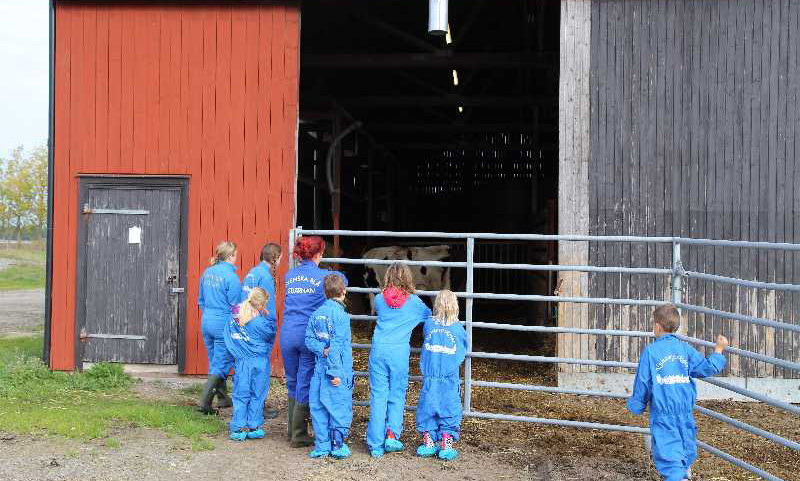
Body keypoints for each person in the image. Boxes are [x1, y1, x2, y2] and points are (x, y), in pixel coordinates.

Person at [627, 305, 728, 481]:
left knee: (668, 453)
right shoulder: (685, 350)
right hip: (685, 412)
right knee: (685, 446)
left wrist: (637, 405)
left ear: (657, 326)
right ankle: (684, 472)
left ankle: (678, 476)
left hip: (663, 412)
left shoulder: (651, 352)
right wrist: (719, 350)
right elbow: (706, 367)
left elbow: (643, 381)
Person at [281, 236, 347, 447]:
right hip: (308, 336)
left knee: (292, 380)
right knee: (305, 381)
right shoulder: (325, 276)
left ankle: (292, 430)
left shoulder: (290, 275)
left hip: (288, 333)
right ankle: (299, 435)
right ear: (320, 253)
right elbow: (342, 280)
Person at [366, 263, 432, 458]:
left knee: (378, 396)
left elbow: (382, 308)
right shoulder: (415, 303)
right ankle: (392, 435)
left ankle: (375, 445)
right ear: (408, 278)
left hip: (378, 350)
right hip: (399, 353)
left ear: (387, 277)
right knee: (397, 393)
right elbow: (429, 317)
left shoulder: (379, 299)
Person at [304, 274, 353, 459]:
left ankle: (322, 445)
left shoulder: (316, 314)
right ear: (343, 292)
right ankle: (337, 444)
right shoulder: (342, 316)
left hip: (319, 369)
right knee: (338, 405)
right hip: (336, 368)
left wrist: (321, 350)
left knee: (318, 406)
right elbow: (337, 346)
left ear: (325, 293)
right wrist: (335, 372)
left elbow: (308, 339)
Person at [415, 290, 467, 461]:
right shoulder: (458, 328)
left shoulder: (429, 324)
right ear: (455, 306)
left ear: (436, 304)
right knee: (450, 407)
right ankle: (446, 442)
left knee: (427, 407)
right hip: (449, 377)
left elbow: (425, 338)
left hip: (430, 376)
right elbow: (463, 346)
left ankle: (428, 441)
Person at [224, 287, 276, 441]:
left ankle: (238, 428)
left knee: (240, 393)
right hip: (259, 361)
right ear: (261, 304)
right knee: (257, 393)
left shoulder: (235, 315)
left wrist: (237, 353)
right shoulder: (261, 322)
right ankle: (254, 426)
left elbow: (228, 335)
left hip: (241, 361)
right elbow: (271, 333)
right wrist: (268, 318)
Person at [197, 241, 242, 414]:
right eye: (235, 255)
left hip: (207, 320)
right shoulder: (231, 277)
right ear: (230, 256)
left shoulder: (207, 273)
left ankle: (222, 398)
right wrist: (239, 324)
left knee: (215, 360)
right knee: (221, 363)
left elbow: (201, 300)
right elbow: (235, 305)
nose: (236, 258)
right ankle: (204, 403)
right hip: (223, 323)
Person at [242, 243, 282, 419]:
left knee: (248, 366)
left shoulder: (252, 273)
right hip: (260, 326)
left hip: (247, 322)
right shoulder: (265, 277)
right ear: (276, 258)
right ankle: (258, 407)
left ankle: (248, 404)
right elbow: (269, 307)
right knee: (261, 368)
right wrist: (271, 327)